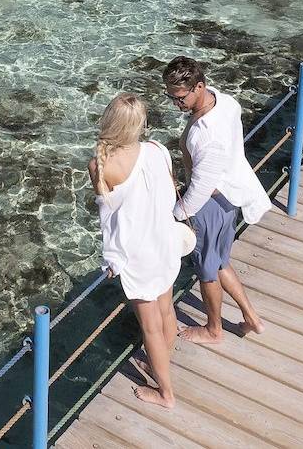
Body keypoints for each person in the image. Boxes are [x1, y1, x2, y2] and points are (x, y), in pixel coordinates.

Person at [162, 55, 268, 343]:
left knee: (207, 271)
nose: (176, 104)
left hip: (209, 207)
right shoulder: (225, 102)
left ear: (198, 87)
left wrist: (176, 214)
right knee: (220, 261)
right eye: (171, 97)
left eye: (180, 98)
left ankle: (213, 330)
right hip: (228, 199)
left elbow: (201, 188)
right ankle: (252, 318)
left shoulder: (206, 136)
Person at [90, 93, 182, 408]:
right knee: (166, 310)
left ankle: (165, 393)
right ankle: (161, 362)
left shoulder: (101, 166)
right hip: (164, 241)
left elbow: (108, 222)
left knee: (150, 327)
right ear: (141, 124)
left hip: (139, 255)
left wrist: (112, 261)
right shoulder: (157, 149)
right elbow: (169, 191)